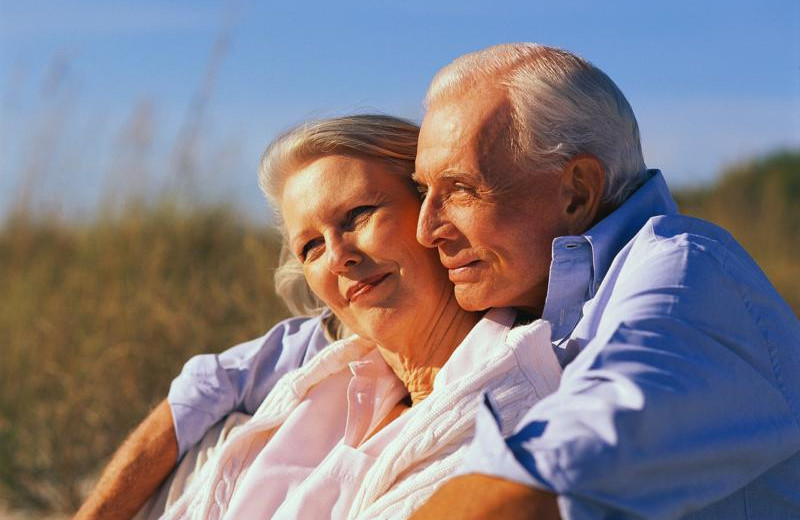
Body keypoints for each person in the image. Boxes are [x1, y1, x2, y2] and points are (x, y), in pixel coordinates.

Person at [78, 43, 800, 520]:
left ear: (576, 193)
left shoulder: (678, 277)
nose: (428, 228)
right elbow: (240, 369)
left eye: (456, 190)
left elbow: (534, 483)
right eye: (422, 192)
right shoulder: (519, 288)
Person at [145, 114, 560, 520]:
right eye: (310, 247)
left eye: (357, 215)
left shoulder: (512, 412)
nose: (339, 257)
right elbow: (213, 382)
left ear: (434, 212)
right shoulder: (318, 384)